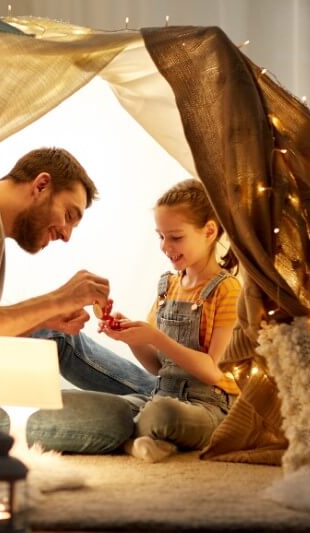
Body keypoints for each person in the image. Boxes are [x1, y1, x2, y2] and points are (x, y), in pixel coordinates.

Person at [0, 147, 154, 453]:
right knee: (116, 418)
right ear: (40, 185)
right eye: (69, 215)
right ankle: (165, 406)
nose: (66, 235)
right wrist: (58, 299)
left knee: (52, 333)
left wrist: (47, 318)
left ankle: (165, 397)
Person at [99, 178, 242, 462]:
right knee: (106, 410)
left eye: (175, 237)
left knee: (160, 414)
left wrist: (155, 337)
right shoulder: (167, 286)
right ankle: (146, 438)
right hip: (162, 393)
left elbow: (215, 371)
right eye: (160, 236)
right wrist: (131, 338)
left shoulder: (227, 289)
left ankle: (134, 438)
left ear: (209, 231)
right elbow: (156, 366)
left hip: (209, 406)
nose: (165, 246)